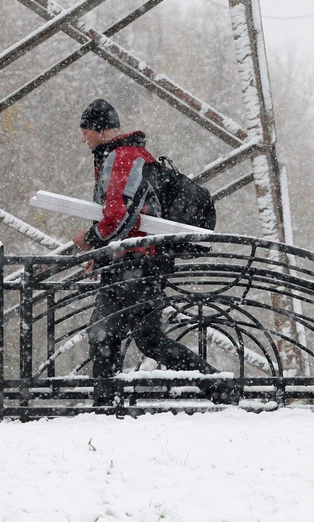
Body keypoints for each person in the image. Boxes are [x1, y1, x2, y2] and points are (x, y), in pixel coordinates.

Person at [73, 98, 231, 406]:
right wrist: (103, 253)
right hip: (142, 261)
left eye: (86, 131)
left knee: (105, 335)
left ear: (103, 131)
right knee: (143, 338)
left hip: (133, 264)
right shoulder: (132, 155)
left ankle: (105, 404)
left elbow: (121, 216)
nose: (83, 139)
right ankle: (217, 387)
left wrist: (91, 238)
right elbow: (134, 218)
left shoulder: (121, 157)